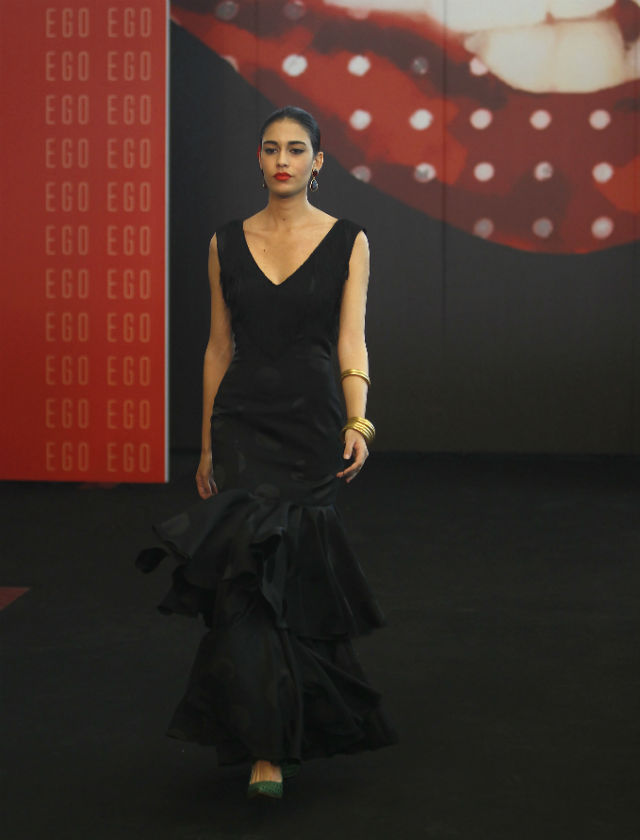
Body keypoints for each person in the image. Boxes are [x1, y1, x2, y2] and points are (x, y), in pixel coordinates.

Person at [136, 105, 397, 799]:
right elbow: (217, 347)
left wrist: (360, 419)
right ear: (258, 159)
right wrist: (205, 445)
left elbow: (351, 340)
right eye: (272, 148)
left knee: (297, 576)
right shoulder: (226, 241)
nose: (283, 159)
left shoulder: (348, 240)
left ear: (319, 162)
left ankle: (287, 726)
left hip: (312, 425)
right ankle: (264, 747)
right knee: (248, 579)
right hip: (243, 427)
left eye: (297, 149)